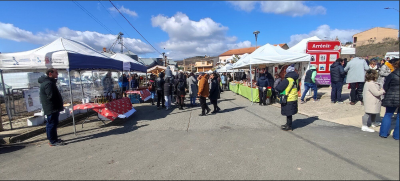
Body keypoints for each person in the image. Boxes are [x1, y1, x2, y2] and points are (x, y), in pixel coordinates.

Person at [38, 68, 65, 146]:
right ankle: (52, 140)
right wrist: (57, 104)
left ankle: (54, 138)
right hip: (51, 107)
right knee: (51, 124)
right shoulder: (48, 83)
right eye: (56, 72)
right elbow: (51, 96)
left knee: (53, 123)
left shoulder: (49, 82)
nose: (57, 74)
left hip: (52, 107)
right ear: (50, 73)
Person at [379, 58, 399, 140]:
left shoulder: (391, 75)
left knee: (388, 114)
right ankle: (397, 135)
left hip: (392, 95)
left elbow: (385, 86)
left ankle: (383, 133)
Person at [275, 64, 299, 131]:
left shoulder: (288, 80)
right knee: (289, 113)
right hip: (293, 97)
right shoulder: (295, 79)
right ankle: (288, 124)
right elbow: (298, 88)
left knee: (288, 112)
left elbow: (279, 88)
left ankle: (289, 126)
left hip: (288, 98)